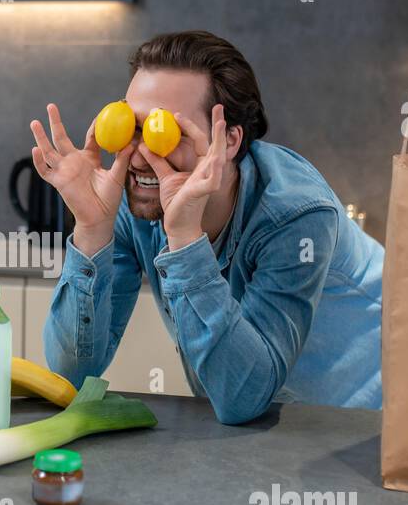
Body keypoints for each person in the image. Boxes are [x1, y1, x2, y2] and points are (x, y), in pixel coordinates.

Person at [34, 30, 383, 424]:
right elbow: (69, 377)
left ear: (229, 141)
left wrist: (184, 238)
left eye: (167, 133)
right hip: (260, 428)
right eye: (131, 128)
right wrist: (92, 229)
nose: (141, 156)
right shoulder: (134, 203)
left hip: (360, 419)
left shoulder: (297, 216)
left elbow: (242, 399)